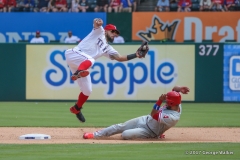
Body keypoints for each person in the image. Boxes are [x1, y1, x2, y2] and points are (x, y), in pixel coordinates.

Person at [64, 18, 149, 123]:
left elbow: (120, 58)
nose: (115, 34)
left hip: (80, 63)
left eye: (116, 33)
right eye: (113, 31)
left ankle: (76, 108)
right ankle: (78, 73)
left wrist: (135, 55)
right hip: (74, 54)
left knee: (87, 90)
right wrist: (98, 22)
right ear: (107, 30)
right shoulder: (99, 32)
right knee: (91, 59)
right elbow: (96, 23)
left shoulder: (108, 48)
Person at [83, 86, 190, 139]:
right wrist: (179, 88)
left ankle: (156, 137)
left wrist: (159, 101)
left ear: (172, 103)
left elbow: (154, 114)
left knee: (125, 135)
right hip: (145, 119)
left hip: (150, 131)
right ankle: (95, 135)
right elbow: (174, 90)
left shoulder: (173, 117)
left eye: (167, 101)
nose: (166, 101)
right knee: (120, 126)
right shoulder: (177, 103)